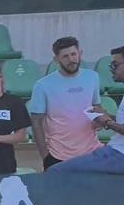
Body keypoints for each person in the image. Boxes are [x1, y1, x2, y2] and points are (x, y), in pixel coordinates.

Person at [31, 36, 102, 170]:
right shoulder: (42, 85)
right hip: (58, 155)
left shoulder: (93, 77)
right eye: (65, 56)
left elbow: (96, 106)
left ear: (80, 54)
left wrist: (99, 119)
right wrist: (45, 156)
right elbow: (36, 123)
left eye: (73, 54)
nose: (71, 59)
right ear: (56, 59)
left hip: (91, 152)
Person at [52, 45, 124, 174]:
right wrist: (106, 117)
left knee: (57, 171)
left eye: (115, 65)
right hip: (115, 150)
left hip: (119, 154)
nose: (111, 69)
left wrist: (108, 122)